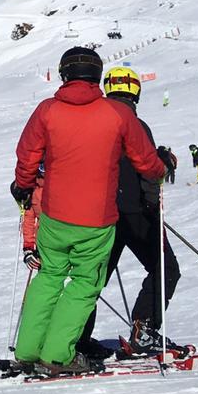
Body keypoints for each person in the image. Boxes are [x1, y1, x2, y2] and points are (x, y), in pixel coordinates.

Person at [10, 47, 165, 376]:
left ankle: (26, 350)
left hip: (53, 214)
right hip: (96, 220)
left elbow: (27, 156)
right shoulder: (117, 114)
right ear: (98, 76)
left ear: (65, 74)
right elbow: (146, 161)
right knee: (83, 284)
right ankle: (57, 355)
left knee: (49, 277)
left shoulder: (47, 111)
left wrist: (24, 184)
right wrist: (160, 170)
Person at [73, 66, 181, 360]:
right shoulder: (134, 122)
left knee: (91, 278)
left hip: (97, 214)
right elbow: (146, 170)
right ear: (136, 91)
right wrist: (163, 166)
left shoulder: (91, 123)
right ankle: (143, 330)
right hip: (135, 214)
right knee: (165, 268)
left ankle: (74, 338)